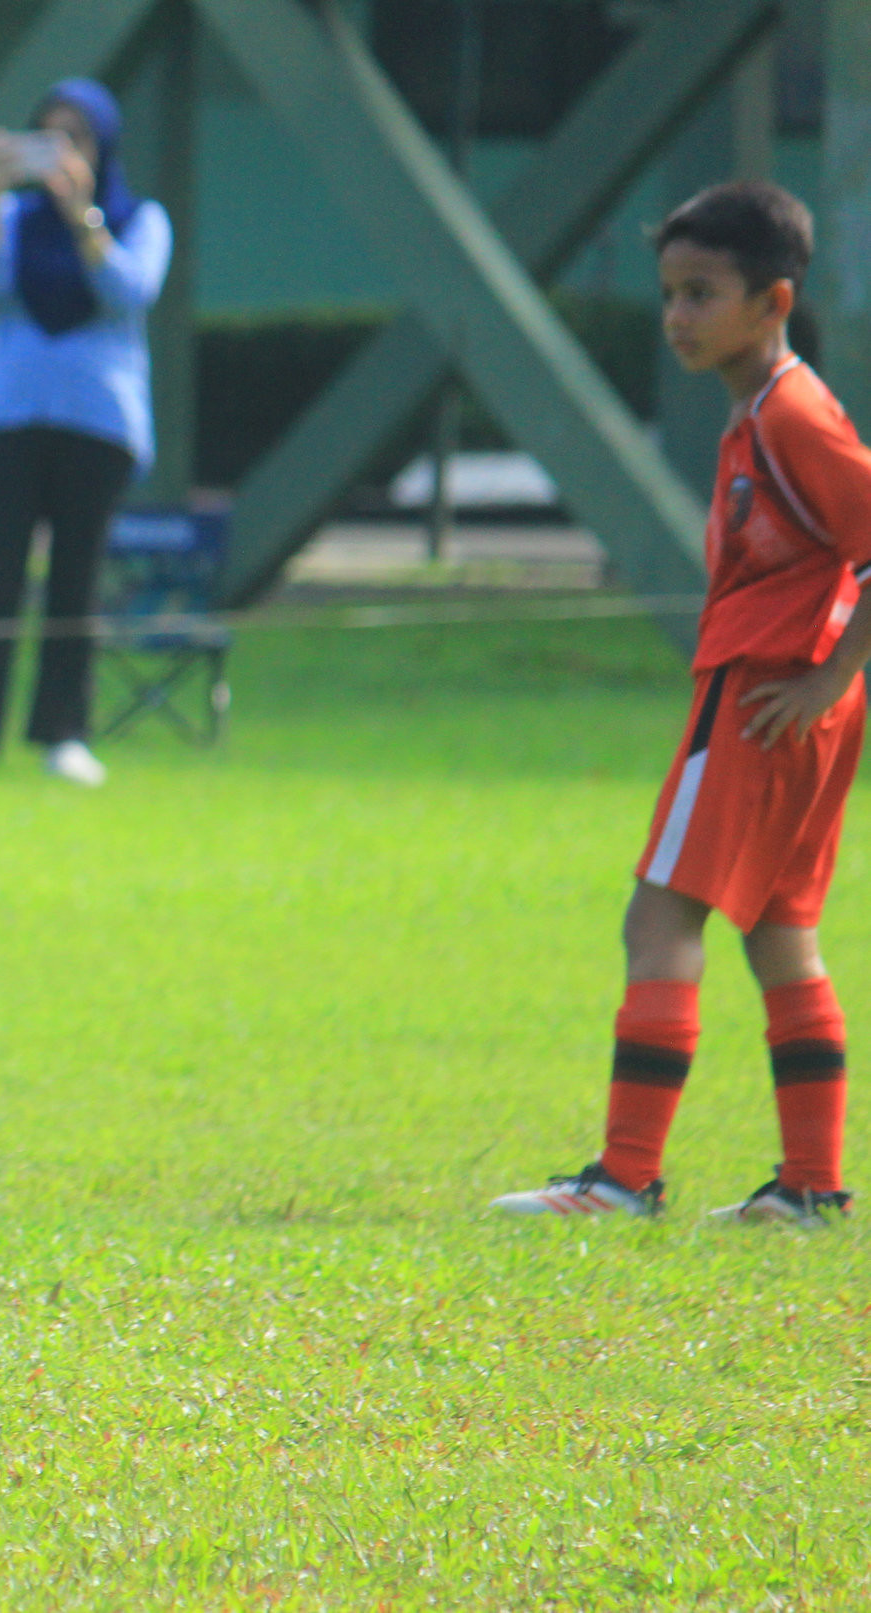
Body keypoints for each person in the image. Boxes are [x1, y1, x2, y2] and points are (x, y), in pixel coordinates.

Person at [493, 181, 868, 1227]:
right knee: (781, 931)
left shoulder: (793, 413)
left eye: (701, 293)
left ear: (773, 300)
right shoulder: (761, 412)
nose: (677, 317)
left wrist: (830, 675)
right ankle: (808, 1188)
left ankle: (622, 1178)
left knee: (658, 914)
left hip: (762, 699)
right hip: (791, 704)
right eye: (669, 293)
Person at [0, 78, 172, 788]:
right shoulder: (16, 217)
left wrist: (81, 211)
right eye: (46, 135)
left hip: (99, 423)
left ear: (102, 146)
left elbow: (128, 291)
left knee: (75, 579)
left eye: (76, 137)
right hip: (9, 417)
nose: (60, 151)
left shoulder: (139, 217)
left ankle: (65, 733)